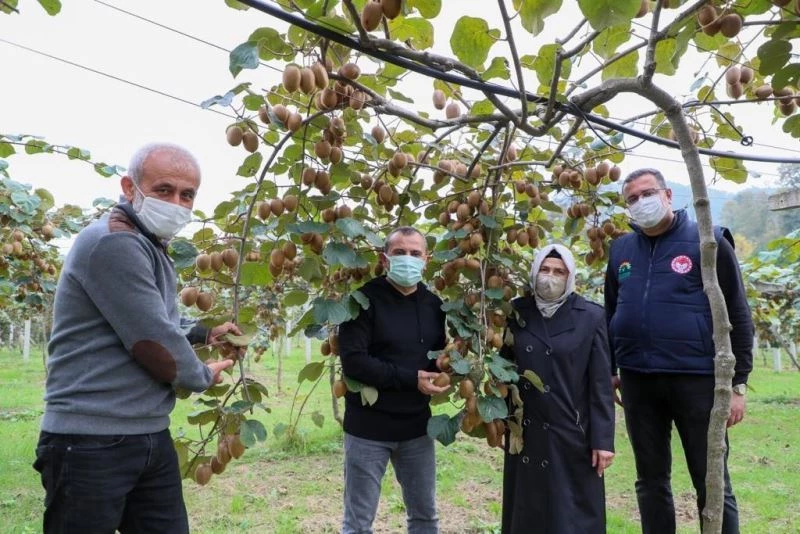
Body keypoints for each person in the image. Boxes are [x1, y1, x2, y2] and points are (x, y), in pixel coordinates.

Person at [34, 143, 243, 534]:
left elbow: (153, 316)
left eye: (187, 195)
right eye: (164, 190)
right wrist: (201, 375)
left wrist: (203, 332)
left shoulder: (145, 242)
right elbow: (154, 341)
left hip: (147, 432)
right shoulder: (115, 242)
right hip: (90, 440)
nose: (177, 203)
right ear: (130, 187)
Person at [604, 168, 754, 534]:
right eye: (632, 199)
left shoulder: (709, 241)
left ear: (668, 195)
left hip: (697, 380)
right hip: (638, 381)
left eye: (647, 193)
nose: (641, 203)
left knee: (711, 480)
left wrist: (737, 385)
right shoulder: (622, 249)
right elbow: (610, 309)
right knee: (650, 480)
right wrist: (611, 368)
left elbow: (737, 312)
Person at [338, 226, 449, 534]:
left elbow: (434, 359)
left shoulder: (435, 306)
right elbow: (354, 361)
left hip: (417, 428)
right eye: (400, 253)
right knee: (358, 522)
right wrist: (411, 378)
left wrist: (443, 370)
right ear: (384, 259)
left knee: (425, 516)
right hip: (367, 428)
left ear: (426, 260)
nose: (408, 259)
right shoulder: (361, 301)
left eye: (415, 253)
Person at [501, 244, 615, 534]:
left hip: (573, 430)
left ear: (570, 276)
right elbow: (502, 370)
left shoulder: (590, 316)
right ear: (534, 271)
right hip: (527, 430)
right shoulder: (516, 312)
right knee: (528, 510)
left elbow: (600, 384)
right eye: (545, 269)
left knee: (572, 513)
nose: (550, 277)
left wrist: (603, 440)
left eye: (559, 271)